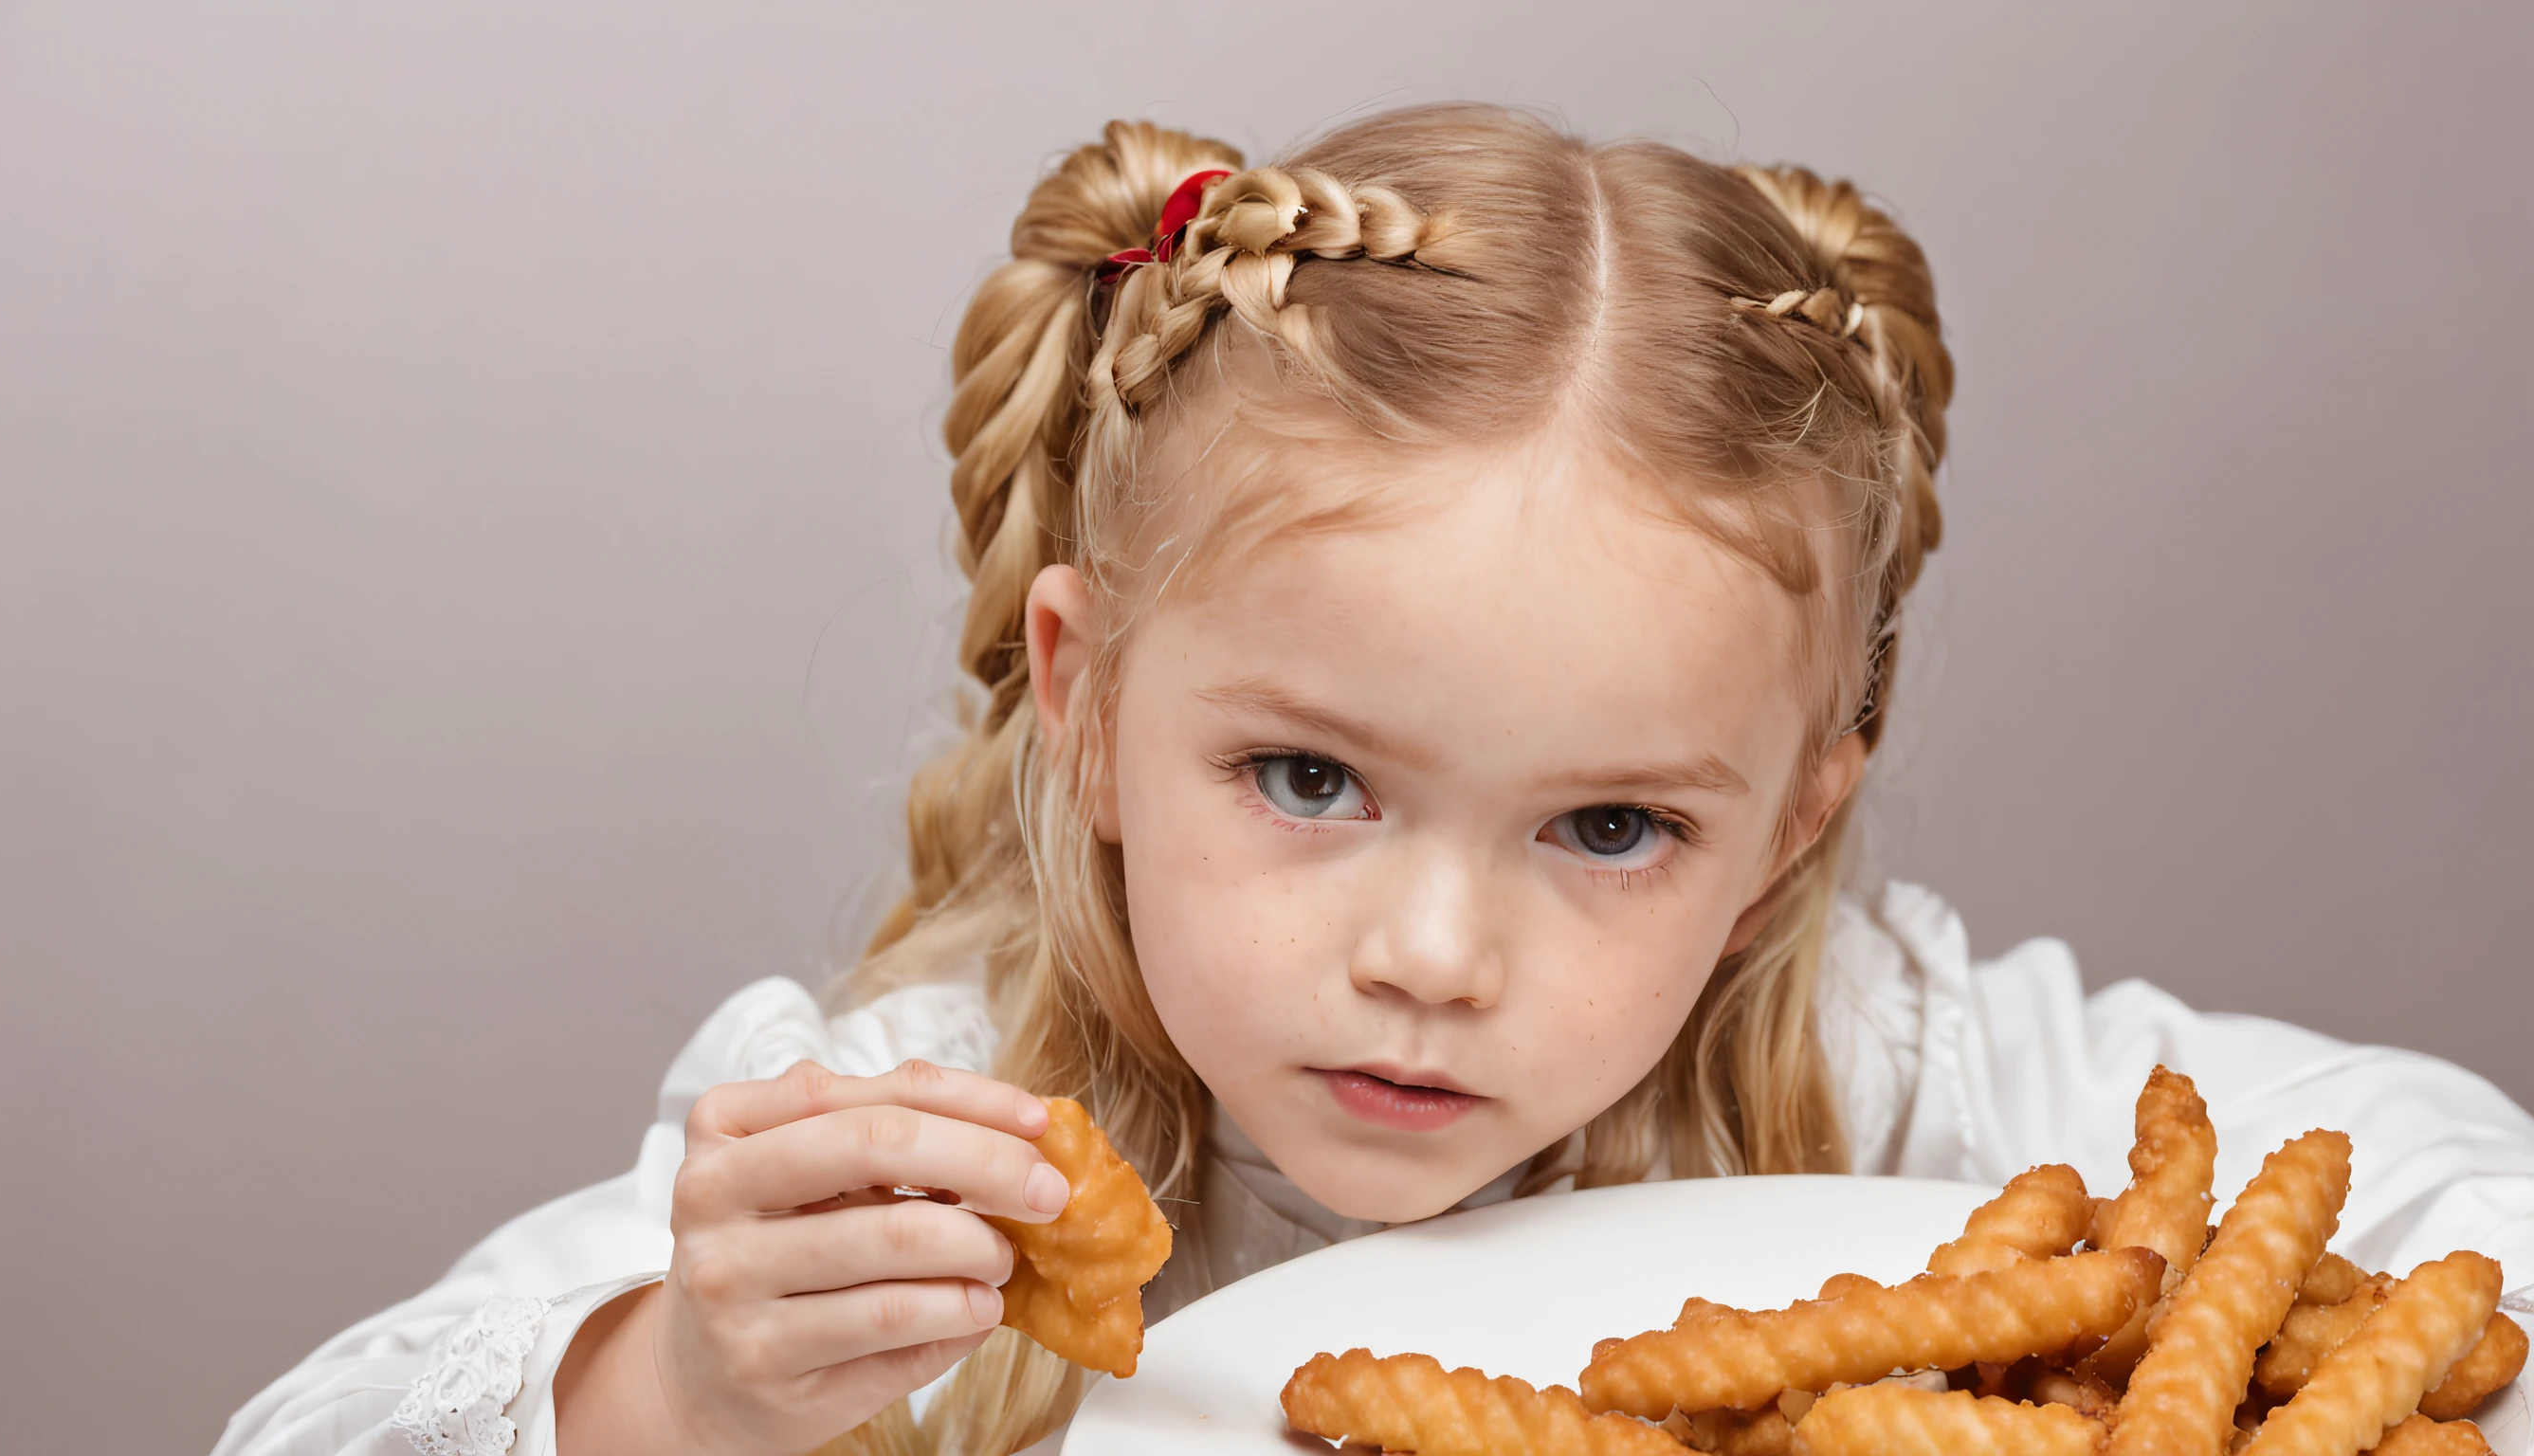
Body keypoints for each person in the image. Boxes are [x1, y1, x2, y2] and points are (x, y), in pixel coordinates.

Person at [214, 105, 2534, 1456]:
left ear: (1785, 835)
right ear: (1092, 706)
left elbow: (2464, 1198)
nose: (1432, 955)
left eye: (1612, 829)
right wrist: (688, 1391)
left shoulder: (1898, 1068)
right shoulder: (933, 1135)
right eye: (1310, 778)